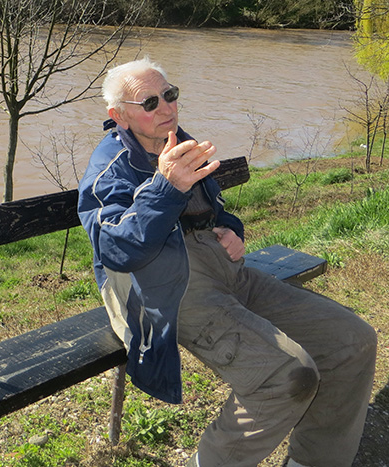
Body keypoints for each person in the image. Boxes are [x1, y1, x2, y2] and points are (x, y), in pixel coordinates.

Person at [77, 57, 377, 467]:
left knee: (352, 339)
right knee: (288, 376)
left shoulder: (179, 141)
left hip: (227, 272)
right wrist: (165, 187)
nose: (167, 107)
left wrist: (231, 229)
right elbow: (117, 250)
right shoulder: (110, 168)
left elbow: (212, 208)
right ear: (120, 116)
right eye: (150, 102)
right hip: (164, 292)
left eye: (170, 94)